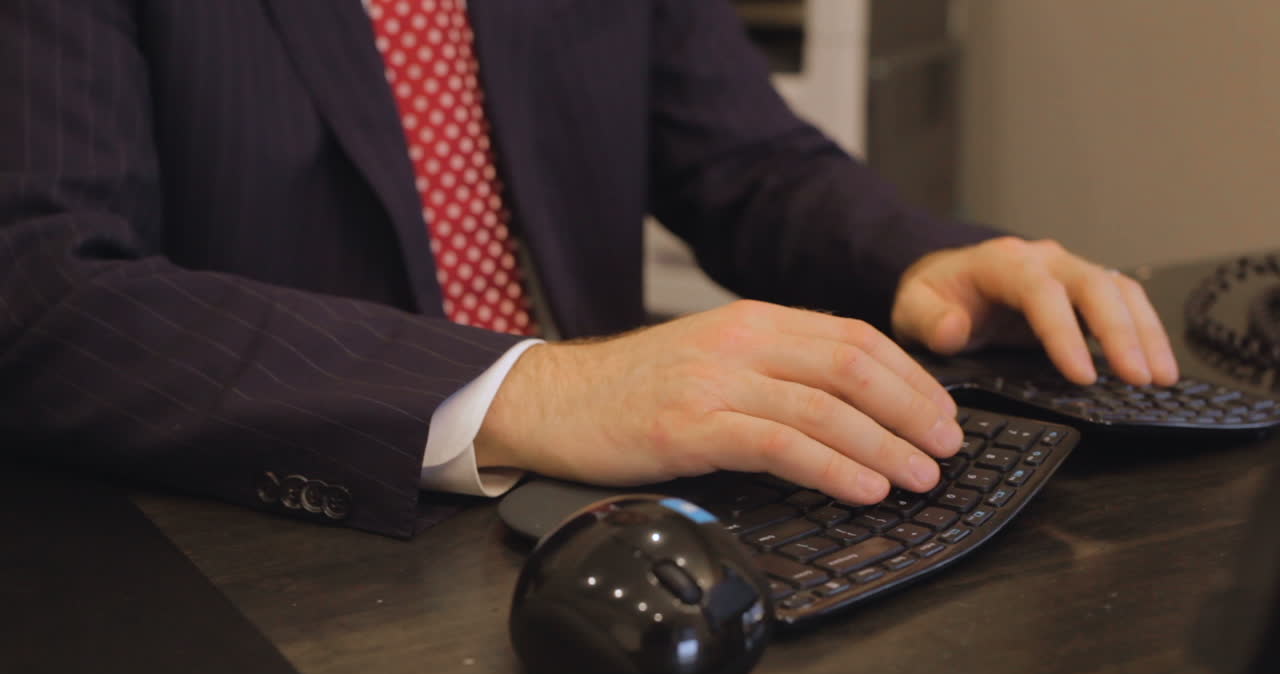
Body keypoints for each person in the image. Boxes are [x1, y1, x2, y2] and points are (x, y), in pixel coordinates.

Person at [0, 0, 1177, 538]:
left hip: (606, 524)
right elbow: (44, 291)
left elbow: (740, 152)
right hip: (296, 542)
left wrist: (921, 256)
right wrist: (537, 390)